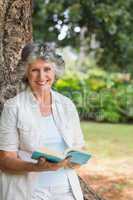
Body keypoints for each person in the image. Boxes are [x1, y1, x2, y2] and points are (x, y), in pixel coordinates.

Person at [0, 42, 85, 200]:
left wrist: (75, 160)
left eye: (47, 69)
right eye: (35, 70)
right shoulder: (13, 107)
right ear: (26, 73)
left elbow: (79, 148)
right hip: (29, 192)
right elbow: (5, 160)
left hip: (66, 190)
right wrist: (36, 167)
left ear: (55, 71)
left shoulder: (67, 105)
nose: (41, 77)